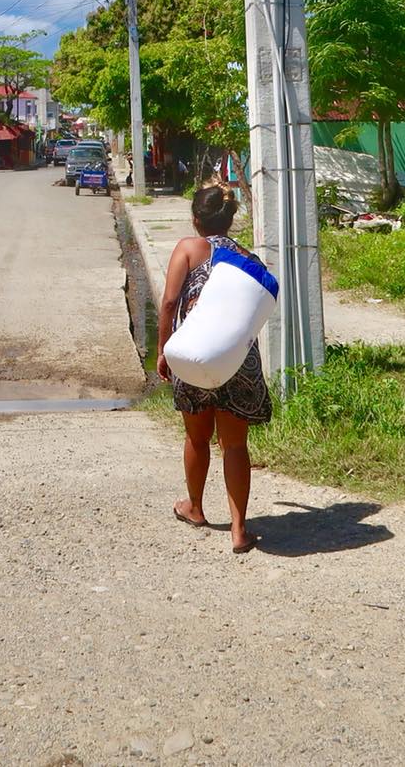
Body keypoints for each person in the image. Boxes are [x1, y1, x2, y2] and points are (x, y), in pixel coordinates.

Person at [156, 184, 271, 553]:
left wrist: (163, 351)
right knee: (235, 444)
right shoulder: (248, 257)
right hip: (236, 360)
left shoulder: (189, 248)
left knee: (197, 436)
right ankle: (239, 530)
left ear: (196, 219)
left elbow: (171, 301)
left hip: (194, 353)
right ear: (231, 219)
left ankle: (195, 508)